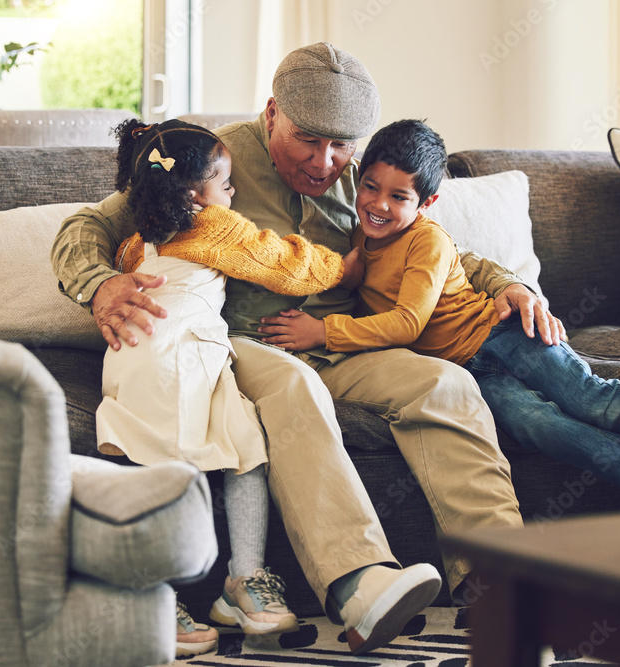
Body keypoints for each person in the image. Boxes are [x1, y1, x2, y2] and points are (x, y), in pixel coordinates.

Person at [52, 43, 546, 654]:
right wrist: (100, 284)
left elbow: (440, 249)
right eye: (308, 141)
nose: (325, 161)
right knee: (294, 385)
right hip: (243, 345)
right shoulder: (214, 162)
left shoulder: (359, 180)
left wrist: (510, 284)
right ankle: (359, 584)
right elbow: (87, 227)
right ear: (271, 114)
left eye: (341, 145)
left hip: (346, 341)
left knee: (446, 384)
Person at [271, 118, 620, 514]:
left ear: (428, 202)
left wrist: (323, 331)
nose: (378, 204)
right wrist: (347, 276)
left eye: (398, 197)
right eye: (372, 188)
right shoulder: (365, 230)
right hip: (468, 370)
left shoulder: (427, 239)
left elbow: (407, 324)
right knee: (533, 424)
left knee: (589, 396)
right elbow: (373, 285)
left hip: (503, 334)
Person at [97, 118, 358, 656]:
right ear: (197, 197)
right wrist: (347, 266)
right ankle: (158, 598)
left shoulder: (135, 244)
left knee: (245, 448)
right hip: (176, 357)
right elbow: (285, 264)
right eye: (225, 183)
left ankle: (242, 583)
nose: (233, 192)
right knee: (181, 469)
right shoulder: (217, 225)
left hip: (152, 356)